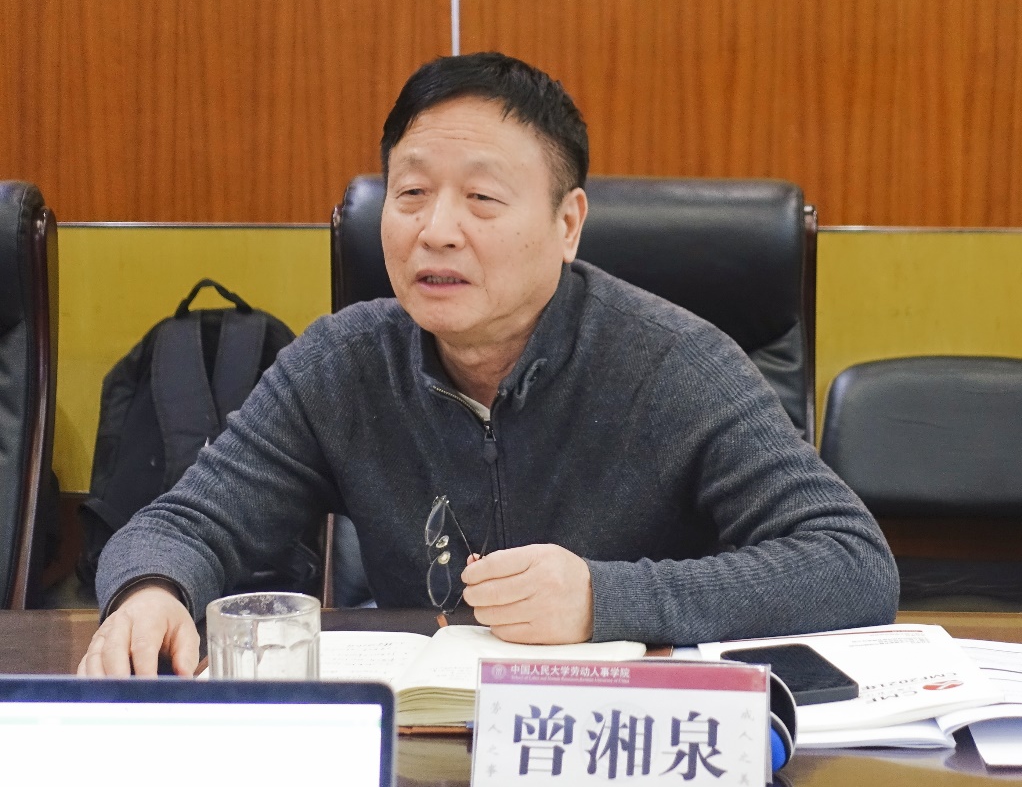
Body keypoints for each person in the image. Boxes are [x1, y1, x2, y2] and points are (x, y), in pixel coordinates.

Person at [79, 52, 898, 678]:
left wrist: (604, 599)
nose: (436, 230)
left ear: (568, 223)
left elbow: (851, 561)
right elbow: (181, 524)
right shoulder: (341, 365)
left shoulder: (676, 363)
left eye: (482, 199)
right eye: (410, 194)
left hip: (622, 736)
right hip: (428, 737)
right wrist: (152, 589)